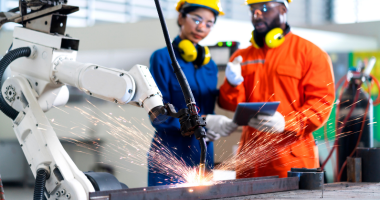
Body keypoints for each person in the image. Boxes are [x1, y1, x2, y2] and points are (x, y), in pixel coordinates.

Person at [219, 0, 335, 179]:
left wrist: (286, 123)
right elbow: (230, 104)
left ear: (283, 9)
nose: (257, 14)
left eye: (264, 8)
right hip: (249, 160)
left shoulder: (311, 54)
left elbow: (321, 104)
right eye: (253, 10)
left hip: (291, 162)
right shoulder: (241, 57)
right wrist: (232, 84)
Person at [148, 0, 237, 186]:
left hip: (203, 154)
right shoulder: (162, 58)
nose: (202, 27)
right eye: (197, 19)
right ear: (181, 17)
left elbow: (211, 106)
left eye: (209, 24)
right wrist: (201, 122)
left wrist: (211, 127)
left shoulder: (209, 65)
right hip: (170, 155)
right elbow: (158, 116)